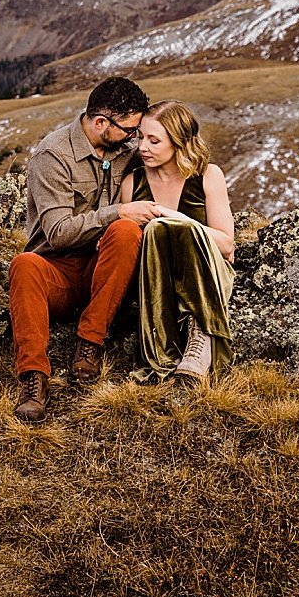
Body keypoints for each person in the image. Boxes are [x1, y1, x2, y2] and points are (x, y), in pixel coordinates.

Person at [8, 77, 165, 422]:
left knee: (124, 232)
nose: (135, 139)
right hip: (58, 270)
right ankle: (33, 379)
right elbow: (59, 233)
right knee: (23, 264)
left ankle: (89, 343)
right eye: (129, 130)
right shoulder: (54, 155)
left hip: (106, 268)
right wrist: (118, 211)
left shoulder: (126, 150)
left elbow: (170, 160)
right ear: (100, 123)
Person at [118, 100, 235, 386]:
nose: (142, 147)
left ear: (179, 142)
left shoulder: (208, 176)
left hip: (205, 271)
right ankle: (163, 347)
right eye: (141, 137)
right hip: (157, 278)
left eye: (154, 140)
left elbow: (226, 245)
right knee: (157, 232)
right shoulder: (132, 183)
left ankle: (201, 336)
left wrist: (172, 216)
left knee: (166, 225)